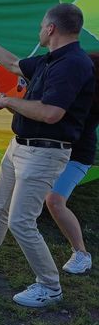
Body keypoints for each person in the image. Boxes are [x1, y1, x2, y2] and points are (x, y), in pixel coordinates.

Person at [0, 3, 95, 308]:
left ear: (51, 28)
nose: (39, 30)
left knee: (22, 221)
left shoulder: (73, 64)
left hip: (44, 153)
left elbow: (52, 113)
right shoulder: (52, 59)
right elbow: (15, 65)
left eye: (42, 25)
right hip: (21, 146)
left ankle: (49, 286)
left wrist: (9, 103)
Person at [44, 53, 99, 274]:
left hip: (77, 156)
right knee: (21, 176)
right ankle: (7, 215)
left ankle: (81, 254)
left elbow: (53, 115)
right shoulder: (71, 88)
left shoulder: (88, 100)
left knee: (55, 200)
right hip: (52, 149)